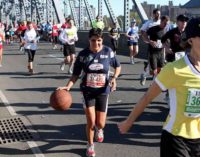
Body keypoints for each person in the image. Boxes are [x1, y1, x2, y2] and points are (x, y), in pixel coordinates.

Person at [118, 17, 200, 157]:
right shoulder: (174, 70)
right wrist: (129, 121)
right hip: (176, 137)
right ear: (191, 40)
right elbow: (147, 97)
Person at [57, 28, 121, 157]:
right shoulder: (82, 55)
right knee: (91, 122)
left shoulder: (108, 52)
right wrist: (68, 87)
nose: (96, 43)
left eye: (99, 40)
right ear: (89, 40)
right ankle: (90, 145)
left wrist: (114, 78)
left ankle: (100, 129)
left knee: (100, 123)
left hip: (103, 91)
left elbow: (117, 66)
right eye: (93, 40)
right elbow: (75, 75)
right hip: (88, 92)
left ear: (102, 40)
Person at [140, 8, 161, 85]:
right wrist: (148, 40)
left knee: (159, 66)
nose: (158, 15)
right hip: (152, 47)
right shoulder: (149, 23)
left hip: (161, 47)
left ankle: (152, 83)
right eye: (157, 14)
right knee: (153, 65)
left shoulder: (162, 22)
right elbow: (142, 31)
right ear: (154, 14)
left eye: (159, 14)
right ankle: (145, 74)